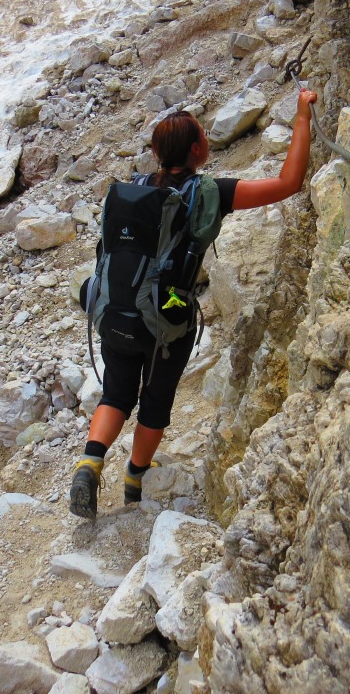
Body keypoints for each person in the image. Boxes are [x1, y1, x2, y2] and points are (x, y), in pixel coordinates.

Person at [69, 87, 319, 519]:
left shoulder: (133, 189)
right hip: (164, 321)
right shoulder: (208, 193)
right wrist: (302, 116)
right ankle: (134, 480)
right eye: (203, 136)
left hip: (113, 311)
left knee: (117, 392)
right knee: (155, 400)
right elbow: (288, 183)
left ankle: (90, 463)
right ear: (199, 149)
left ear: (156, 153)